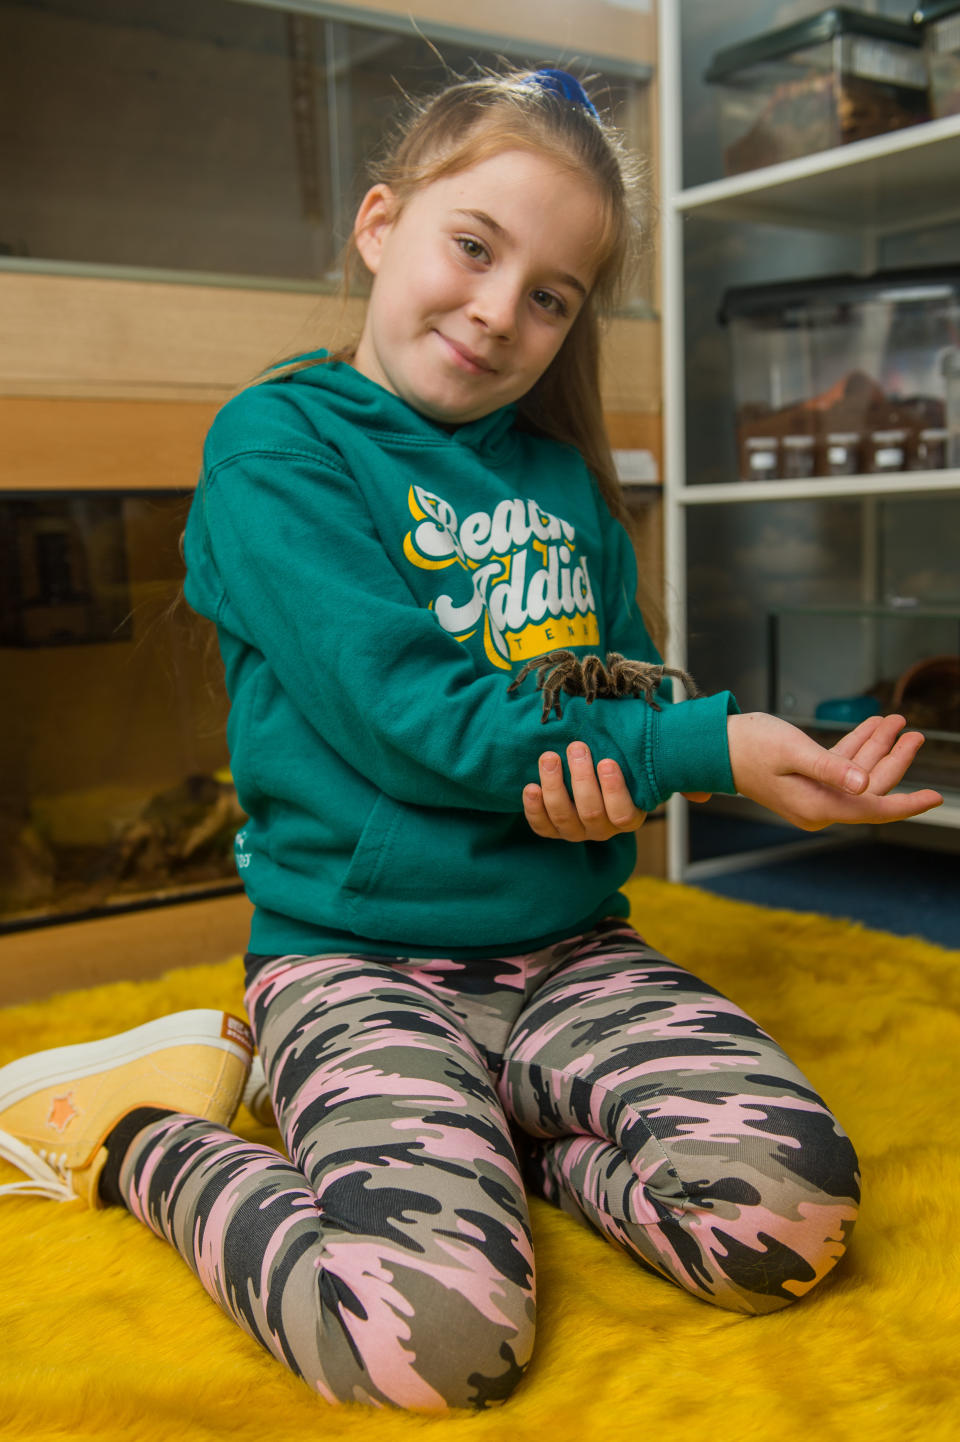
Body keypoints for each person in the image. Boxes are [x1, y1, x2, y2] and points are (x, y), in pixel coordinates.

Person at [0, 68, 942, 1411]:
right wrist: (715, 749)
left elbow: (619, 693)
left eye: (552, 293)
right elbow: (413, 723)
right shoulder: (278, 447)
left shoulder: (563, 482)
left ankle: (518, 1142)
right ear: (381, 221)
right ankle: (140, 1135)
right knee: (428, 1343)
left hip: (568, 952)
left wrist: (618, 781)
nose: (502, 310)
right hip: (357, 964)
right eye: (474, 247)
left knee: (789, 1218)